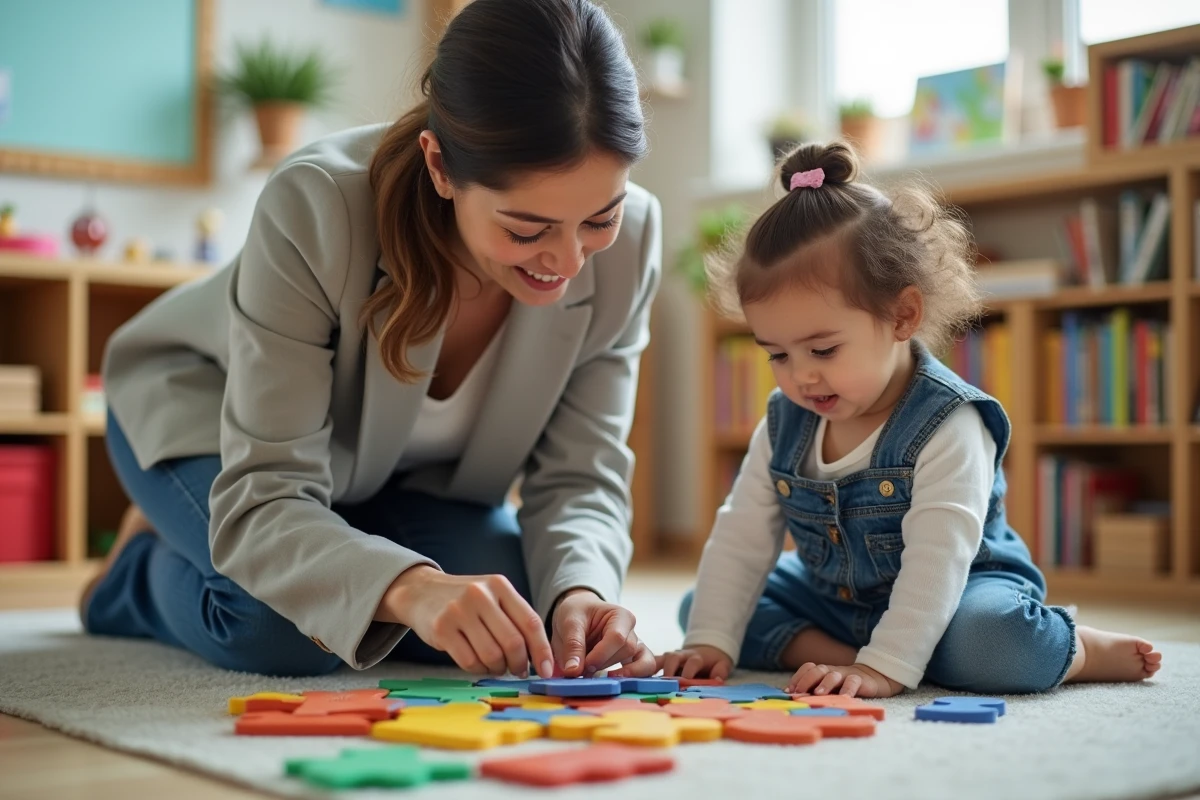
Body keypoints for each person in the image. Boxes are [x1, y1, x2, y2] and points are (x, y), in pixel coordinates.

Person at [81, 0, 661, 681]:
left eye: (601, 217)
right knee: (282, 628)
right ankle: (137, 573)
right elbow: (270, 494)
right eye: (527, 228)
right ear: (440, 166)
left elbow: (580, 472)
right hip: (201, 411)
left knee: (521, 611)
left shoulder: (634, 244)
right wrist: (409, 588)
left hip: (386, 480)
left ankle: (328, 544)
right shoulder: (316, 203)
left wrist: (581, 595)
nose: (565, 261)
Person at [659, 142, 1162, 697]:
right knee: (705, 614)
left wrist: (886, 669)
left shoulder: (948, 422)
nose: (800, 377)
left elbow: (937, 559)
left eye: (822, 351)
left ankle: (1079, 648)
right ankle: (863, 656)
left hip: (959, 590)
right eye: (778, 354)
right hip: (834, 600)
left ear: (902, 316)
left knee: (998, 645)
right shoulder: (785, 422)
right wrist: (711, 639)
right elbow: (741, 539)